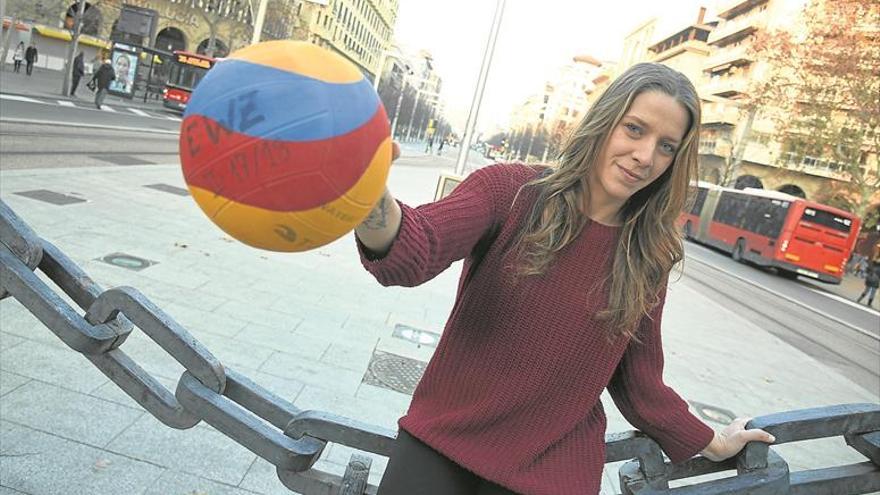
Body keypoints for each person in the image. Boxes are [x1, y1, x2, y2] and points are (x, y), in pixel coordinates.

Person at [354, 63, 774, 495]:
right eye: (634, 129)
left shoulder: (648, 255)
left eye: (666, 146)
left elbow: (639, 383)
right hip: (442, 442)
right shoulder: (510, 191)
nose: (646, 156)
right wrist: (364, 193)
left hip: (553, 473)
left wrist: (716, 442)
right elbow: (414, 249)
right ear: (603, 122)